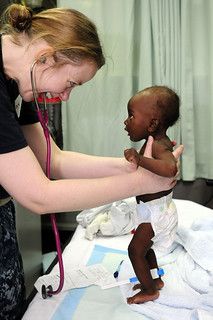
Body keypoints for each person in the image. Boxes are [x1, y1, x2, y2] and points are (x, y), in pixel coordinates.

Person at [0, 4, 183, 319]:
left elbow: (53, 161)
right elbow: (37, 195)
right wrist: (141, 182)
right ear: (46, 56)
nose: (66, 96)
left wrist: (132, 165)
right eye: (71, 83)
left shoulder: (22, 82)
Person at [124, 85, 180, 304]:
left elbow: (170, 169)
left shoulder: (157, 147)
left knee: (135, 250)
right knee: (146, 249)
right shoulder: (154, 143)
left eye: (131, 116)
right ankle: (155, 279)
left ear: (153, 123)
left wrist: (140, 160)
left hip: (156, 212)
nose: (126, 122)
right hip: (151, 210)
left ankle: (149, 291)